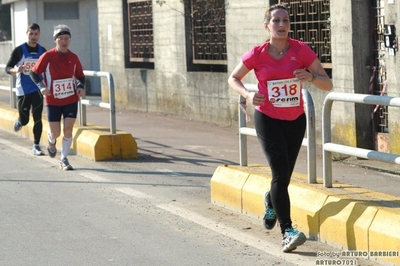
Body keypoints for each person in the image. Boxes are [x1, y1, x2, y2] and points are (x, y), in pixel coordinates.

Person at [228, 3, 333, 253]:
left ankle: (270, 200)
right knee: (279, 170)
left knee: (284, 176)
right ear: (267, 26)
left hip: (295, 120)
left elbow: (327, 84)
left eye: (286, 20)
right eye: (276, 21)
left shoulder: (301, 50)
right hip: (267, 117)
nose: (282, 25)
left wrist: (311, 77)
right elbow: (233, 78)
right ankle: (287, 231)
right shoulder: (257, 53)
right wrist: (247, 94)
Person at [30, 24, 85, 170]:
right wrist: (42, 87)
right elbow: (34, 73)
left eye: (67, 38)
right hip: (53, 100)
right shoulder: (48, 56)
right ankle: (51, 140)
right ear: (55, 40)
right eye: (60, 38)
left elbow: (80, 76)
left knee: (68, 130)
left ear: (70, 40)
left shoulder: (73, 57)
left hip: (70, 99)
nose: (64, 41)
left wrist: (80, 86)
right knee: (56, 132)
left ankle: (64, 159)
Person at [5, 23, 47, 156]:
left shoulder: (43, 51)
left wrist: (47, 86)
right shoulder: (19, 50)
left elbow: (47, 69)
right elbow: (8, 68)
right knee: (25, 120)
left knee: (38, 117)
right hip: (23, 90)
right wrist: (16, 70)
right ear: (27, 33)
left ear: (39, 34)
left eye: (36, 34)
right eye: (31, 33)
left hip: (37, 88)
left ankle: (36, 145)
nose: (33, 36)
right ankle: (20, 121)